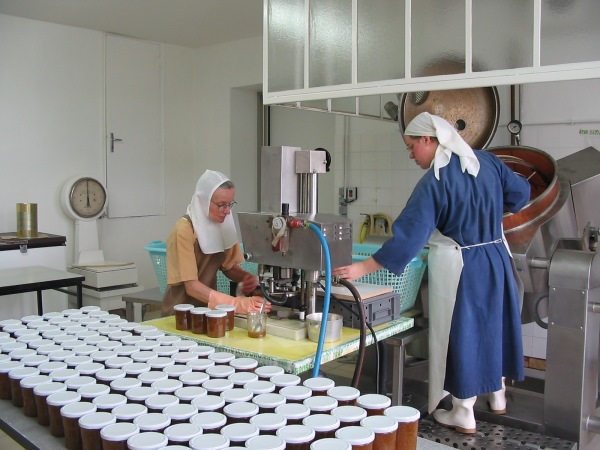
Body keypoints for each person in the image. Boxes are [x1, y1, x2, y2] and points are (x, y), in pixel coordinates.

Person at [332, 112, 530, 434]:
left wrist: (362, 268)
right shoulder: (487, 163)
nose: (411, 155)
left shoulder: (436, 180)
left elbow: (409, 238)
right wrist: (487, 207)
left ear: (428, 140)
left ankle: (463, 410)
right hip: (495, 255)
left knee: (463, 331)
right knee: (494, 324)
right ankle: (498, 396)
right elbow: (521, 194)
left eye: (411, 147)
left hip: (463, 266)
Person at [161, 170, 271, 317]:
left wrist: (247, 278)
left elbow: (228, 267)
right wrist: (236, 304)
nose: (226, 211)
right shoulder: (185, 230)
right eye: (221, 205)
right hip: (179, 315)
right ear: (203, 201)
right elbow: (191, 286)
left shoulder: (222, 223)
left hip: (207, 313)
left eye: (229, 204)